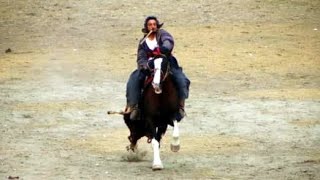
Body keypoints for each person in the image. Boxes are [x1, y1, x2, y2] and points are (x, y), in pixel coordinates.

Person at [125, 16, 190, 120]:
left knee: (182, 79)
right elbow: (141, 58)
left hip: (165, 62)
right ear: (146, 27)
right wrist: (146, 65)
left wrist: (163, 49)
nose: (152, 27)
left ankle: (180, 107)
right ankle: (135, 106)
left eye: (154, 24)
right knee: (134, 79)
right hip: (149, 66)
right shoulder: (143, 42)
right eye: (150, 25)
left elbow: (168, 41)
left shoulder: (162, 34)